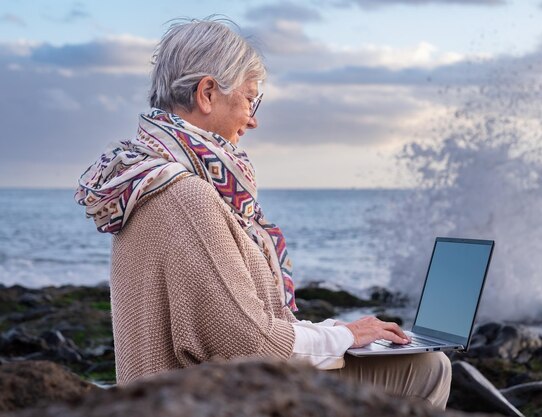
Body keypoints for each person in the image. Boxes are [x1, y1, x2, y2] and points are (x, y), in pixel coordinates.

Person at [75, 17, 451, 410]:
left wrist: (338, 330)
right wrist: (346, 336)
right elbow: (250, 343)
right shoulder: (187, 198)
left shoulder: (146, 179)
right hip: (209, 403)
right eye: (250, 99)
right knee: (428, 369)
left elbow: (236, 326)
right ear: (207, 93)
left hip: (177, 396)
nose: (253, 119)